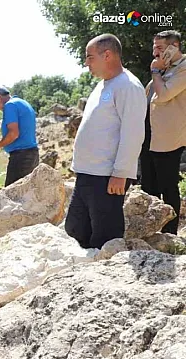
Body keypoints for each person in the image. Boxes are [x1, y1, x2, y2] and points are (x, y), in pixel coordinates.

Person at [66, 34, 147, 249]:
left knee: (105, 236)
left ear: (107, 55)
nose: (86, 63)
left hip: (107, 176)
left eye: (90, 57)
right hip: (87, 173)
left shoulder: (128, 86)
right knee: (75, 230)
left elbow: (133, 133)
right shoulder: (103, 85)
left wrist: (120, 173)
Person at [140, 30, 186, 234]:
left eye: (160, 48)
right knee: (148, 186)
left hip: (168, 139)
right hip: (149, 137)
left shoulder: (182, 68)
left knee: (168, 186)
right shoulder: (161, 70)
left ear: (174, 47)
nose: (155, 53)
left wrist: (155, 72)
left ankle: (170, 235)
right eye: (154, 49)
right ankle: (151, 232)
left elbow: (165, 94)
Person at [0, 86, 39, 186]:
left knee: (11, 195)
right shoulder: (21, 102)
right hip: (32, 154)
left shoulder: (10, 106)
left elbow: (14, 133)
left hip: (21, 157)